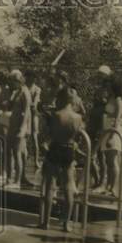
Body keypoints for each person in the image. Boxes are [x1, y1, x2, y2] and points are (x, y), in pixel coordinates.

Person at [39, 88, 85, 233]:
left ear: (62, 99)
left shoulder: (56, 115)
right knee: (68, 187)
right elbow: (77, 135)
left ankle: (45, 222)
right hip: (68, 149)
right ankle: (66, 224)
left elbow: (49, 133)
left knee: (50, 186)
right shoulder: (77, 118)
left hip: (56, 148)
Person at [98, 73, 122, 197]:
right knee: (108, 161)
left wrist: (111, 136)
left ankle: (113, 187)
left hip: (113, 132)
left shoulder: (118, 100)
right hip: (107, 130)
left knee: (112, 161)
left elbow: (117, 119)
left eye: (109, 85)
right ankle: (108, 186)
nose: (107, 87)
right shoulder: (111, 98)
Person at [4, 70, 32, 188]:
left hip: (20, 127)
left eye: (12, 81)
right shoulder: (16, 92)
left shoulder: (25, 92)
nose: (10, 84)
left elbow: (26, 112)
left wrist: (22, 128)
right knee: (9, 152)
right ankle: (9, 178)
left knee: (17, 153)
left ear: (18, 81)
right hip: (12, 125)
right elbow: (10, 105)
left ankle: (18, 181)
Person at [23, 69, 42, 187]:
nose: (29, 79)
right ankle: (25, 159)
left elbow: (34, 104)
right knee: (25, 137)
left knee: (34, 138)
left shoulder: (37, 89)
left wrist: (28, 104)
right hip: (26, 114)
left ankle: (36, 160)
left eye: (31, 77)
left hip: (33, 115)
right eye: (28, 77)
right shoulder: (24, 88)